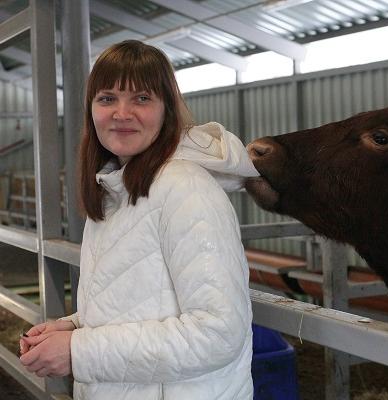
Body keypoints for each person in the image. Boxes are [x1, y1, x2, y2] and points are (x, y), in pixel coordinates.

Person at [19, 39, 259, 399]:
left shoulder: (185, 189)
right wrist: (72, 328)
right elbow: (139, 301)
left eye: (142, 98)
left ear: (167, 110)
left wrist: (77, 351)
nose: (122, 112)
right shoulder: (116, 190)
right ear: (91, 110)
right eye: (107, 98)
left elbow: (218, 332)